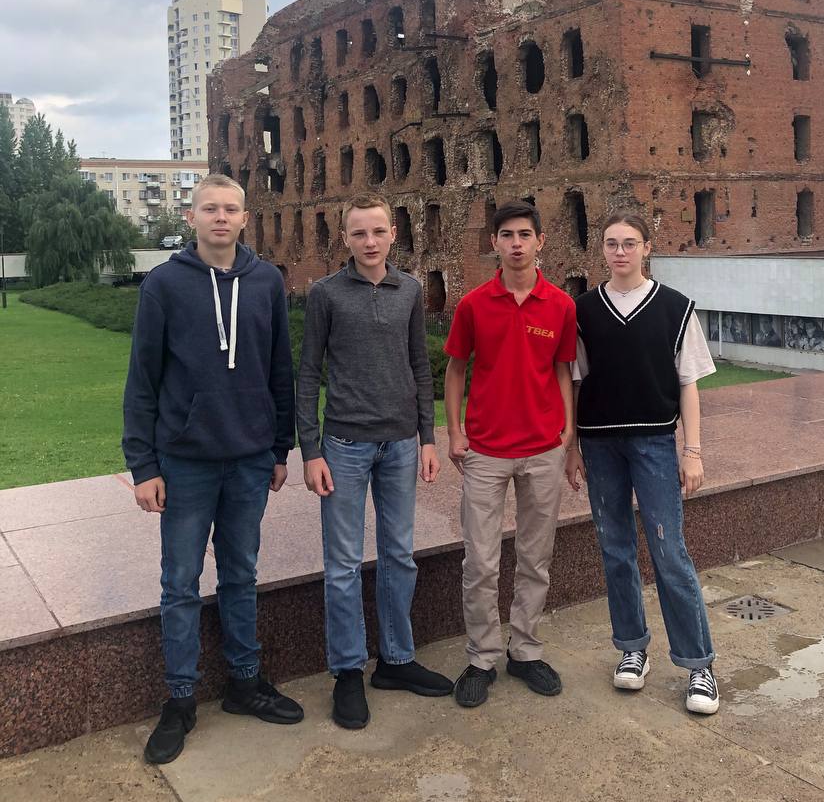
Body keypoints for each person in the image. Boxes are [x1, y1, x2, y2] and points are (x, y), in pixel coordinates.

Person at [122, 174, 303, 766]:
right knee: (179, 581)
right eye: (210, 209)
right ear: (192, 216)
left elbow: (280, 370)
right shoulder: (164, 285)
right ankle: (180, 698)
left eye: (230, 209)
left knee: (240, 573)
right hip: (185, 461)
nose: (220, 218)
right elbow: (142, 380)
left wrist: (279, 449)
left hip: (249, 458)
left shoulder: (267, 281)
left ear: (246, 218)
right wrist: (143, 464)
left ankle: (244, 682)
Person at [297, 196, 453, 730]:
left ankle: (396, 659)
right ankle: (347, 670)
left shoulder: (408, 289)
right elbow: (308, 374)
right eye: (359, 233)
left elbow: (419, 365)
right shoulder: (326, 294)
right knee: (343, 564)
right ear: (346, 238)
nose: (370, 241)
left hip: (401, 444)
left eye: (379, 231)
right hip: (344, 445)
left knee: (399, 555)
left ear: (392, 235)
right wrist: (311, 450)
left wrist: (427, 438)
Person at [567, 208, 720, 715]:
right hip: (600, 444)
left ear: (646, 248)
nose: (620, 252)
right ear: (602, 249)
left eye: (629, 243)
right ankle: (632, 647)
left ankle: (698, 663)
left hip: (655, 441)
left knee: (669, 551)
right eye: (612, 243)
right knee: (615, 549)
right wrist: (572, 448)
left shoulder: (675, 308)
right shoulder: (584, 311)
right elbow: (576, 382)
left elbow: (688, 385)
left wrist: (692, 451)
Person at [444, 200, 577, 708]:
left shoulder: (560, 305)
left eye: (524, 234)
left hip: (542, 447)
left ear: (540, 241)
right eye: (507, 235)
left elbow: (563, 371)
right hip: (486, 449)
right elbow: (456, 369)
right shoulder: (474, 304)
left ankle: (524, 650)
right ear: (494, 243)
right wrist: (454, 432)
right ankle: (482, 657)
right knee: (480, 561)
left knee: (535, 558)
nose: (516, 243)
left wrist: (568, 435)